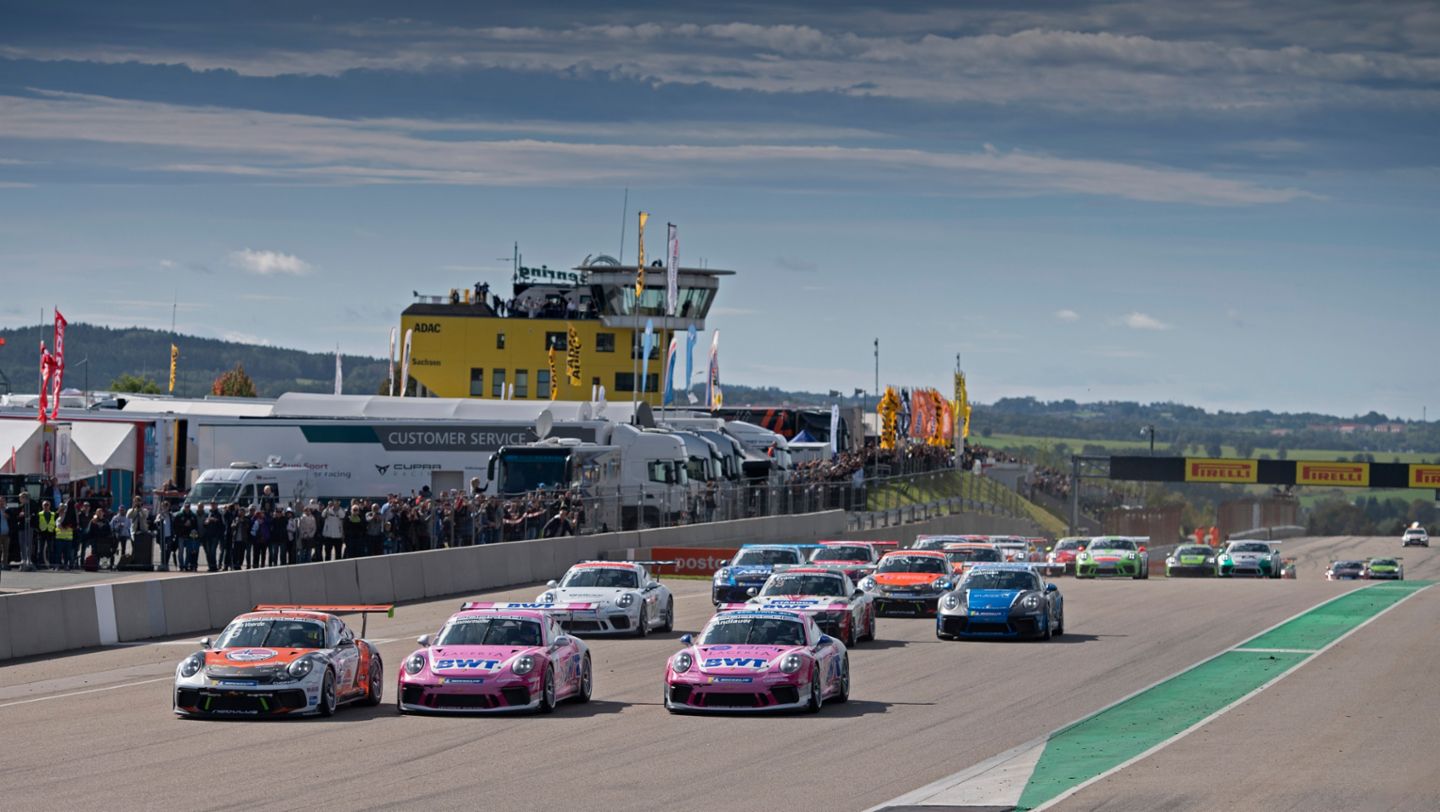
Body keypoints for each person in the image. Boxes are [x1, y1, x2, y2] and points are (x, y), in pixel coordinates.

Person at [37, 500, 57, 571]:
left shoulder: (53, 514)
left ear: (49, 506)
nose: (46, 506)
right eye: (44, 505)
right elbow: (37, 523)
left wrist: (54, 531)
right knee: (40, 550)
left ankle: (51, 565)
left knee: (50, 550)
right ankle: (40, 565)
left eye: (47, 505)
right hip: (42, 533)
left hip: (50, 533)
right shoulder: (39, 514)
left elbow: (55, 523)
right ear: (42, 506)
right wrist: (39, 530)